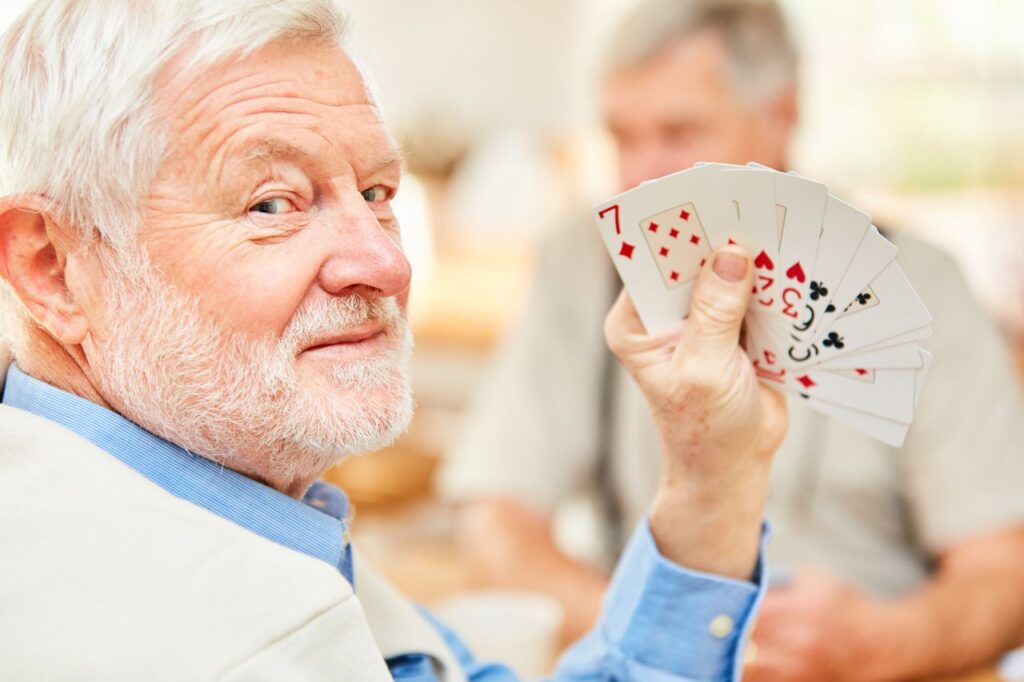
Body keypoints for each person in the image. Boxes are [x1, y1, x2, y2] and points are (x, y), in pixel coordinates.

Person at [0, 1, 795, 680]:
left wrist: (712, 475)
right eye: (274, 204)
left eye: (378, 193)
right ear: (52, 269)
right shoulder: (213, 639)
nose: (388, 260)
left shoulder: (238, 503)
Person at [440, 1, 1024, 680]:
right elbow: (496, 527)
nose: (640, 177)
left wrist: (883, 643)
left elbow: (1006, 570)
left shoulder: (920, 283)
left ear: (781, 113)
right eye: (622, 137)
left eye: (679, 132)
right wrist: (662, 635)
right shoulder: (583, 264)